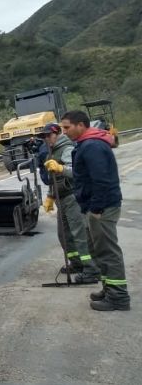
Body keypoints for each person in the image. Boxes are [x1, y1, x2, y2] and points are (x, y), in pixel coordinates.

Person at [60, 110, 129, 311]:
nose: (64, 132)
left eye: (67, 127)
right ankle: (109, 289)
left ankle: (119, 297)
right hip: (95, 206)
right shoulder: (86, 144)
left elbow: (101, 180)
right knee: (100, 250)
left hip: (102, 207)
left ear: (81, 125)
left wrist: (97, 208)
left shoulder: (91, 146)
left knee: (108, 251)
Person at [38, 123, 100, 283]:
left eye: (48, 135)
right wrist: (51, 196)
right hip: (61, 198)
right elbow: (54, 179)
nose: (46, 139)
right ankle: (77, 263)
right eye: (43, 136)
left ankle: (91, 269)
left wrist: (60, 168)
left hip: (72, 197)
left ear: (57, 133)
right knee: (64, 234)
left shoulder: (67, 149)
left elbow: (75, 172)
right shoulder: (50, 152)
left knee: (79, 234)